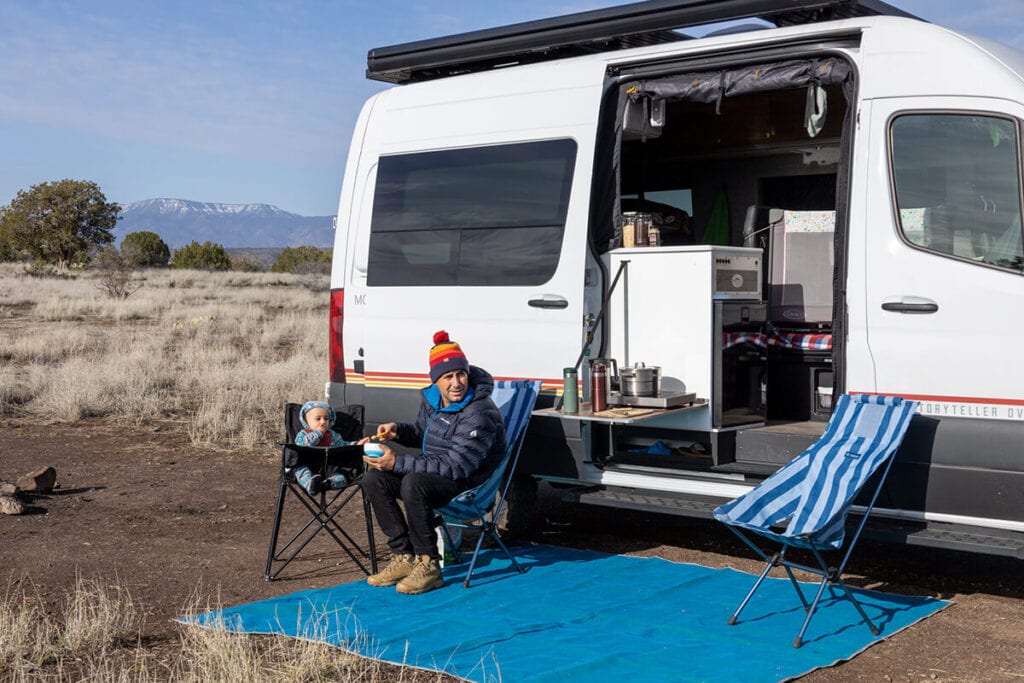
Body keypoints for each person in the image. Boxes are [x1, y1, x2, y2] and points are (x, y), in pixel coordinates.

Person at [361, 330, 506, 595]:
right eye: (448, 377)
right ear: (436, 380)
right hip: (438, 472)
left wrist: (397, 462)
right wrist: (398, 432)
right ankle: (403, 556)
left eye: (460, 374)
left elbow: (457, 466)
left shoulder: (479, 411)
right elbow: (424, 432)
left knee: (414, 483)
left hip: (469, 485)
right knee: (374, 479)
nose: (456, 383)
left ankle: (428, 564)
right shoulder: (435, 401)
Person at [291, 400, 358, 495]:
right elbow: (302, 445)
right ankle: (311, 485)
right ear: (306, 421)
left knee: (342, 474)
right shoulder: (303, 434)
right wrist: (318, 433)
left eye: (326, 419)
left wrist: (356, 444)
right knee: (300, 471)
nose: (323, 422)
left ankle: (330, 483)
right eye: (318, 419)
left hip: (330, 466)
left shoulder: (333, 435)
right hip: (309, 465)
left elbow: (342, 444)